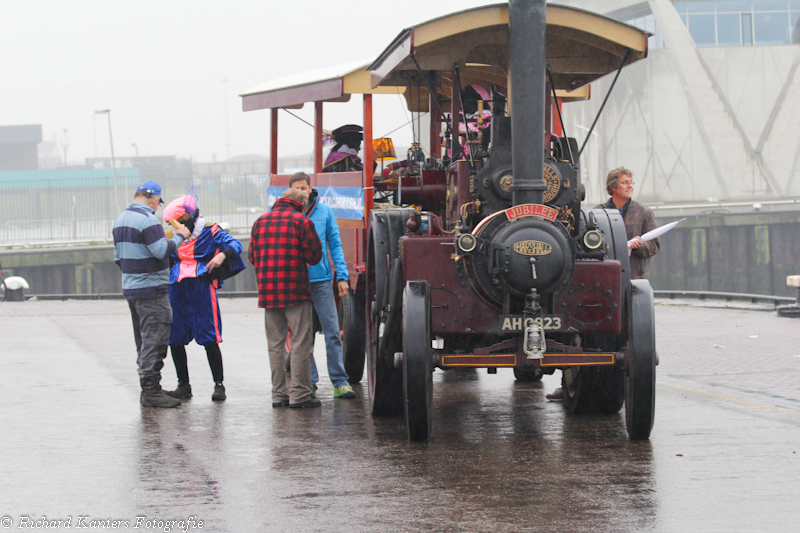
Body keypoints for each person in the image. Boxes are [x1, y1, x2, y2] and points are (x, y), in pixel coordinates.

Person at [547, 166, 660, 401]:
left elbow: (655, 245)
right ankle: (569, 383)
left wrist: (640, 247)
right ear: (612, 188)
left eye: (631, 182)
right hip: (604, 286)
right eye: (625, 182)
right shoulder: (597, 214)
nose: (630, 186)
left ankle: (621, 384)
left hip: (633, 280)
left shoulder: (644, 213)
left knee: (629, 335)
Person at [113, 180, 191, 408]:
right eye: (158, 203)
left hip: (132, 289)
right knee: (155, 339)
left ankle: (149, 386)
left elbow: (118, 258)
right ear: (154, 200)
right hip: (152, 290)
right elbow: (160, 251)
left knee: (143, 339)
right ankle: (151, 390)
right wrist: (180, 236)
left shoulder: (120, 220)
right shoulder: (148, 221)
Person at [161, 195, 246, 402]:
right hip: (176, 287)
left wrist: (221, 255)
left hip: (201, 285)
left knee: (209, 336)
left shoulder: (210, 229)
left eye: (179, 222)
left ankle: (219, 384)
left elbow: (235, 244)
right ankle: (184, 386)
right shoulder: (171, 235)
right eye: (172, 223)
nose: (176, 226)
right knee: (175, 336)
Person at [249, 187, 323, 408]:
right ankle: (300, 395)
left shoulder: (260, 222)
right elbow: (315, 256)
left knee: (275, 344)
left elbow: (252, 256)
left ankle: (279, 394)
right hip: (295, 291)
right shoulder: (302, 222)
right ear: (302, 203)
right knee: (301, 342)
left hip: (268, 292)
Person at [289, 172, 356, 399]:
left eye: (304, 188)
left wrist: (342, 277)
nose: (301, 193)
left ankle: (340, 382)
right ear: (290, 192)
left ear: (311, 188)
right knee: (303, 335)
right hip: (297, 283)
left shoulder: (324, 212)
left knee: (332, 332)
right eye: (296, 189)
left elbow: (335, 245)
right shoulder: (286, 215)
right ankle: (311, 382)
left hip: (322, 282)